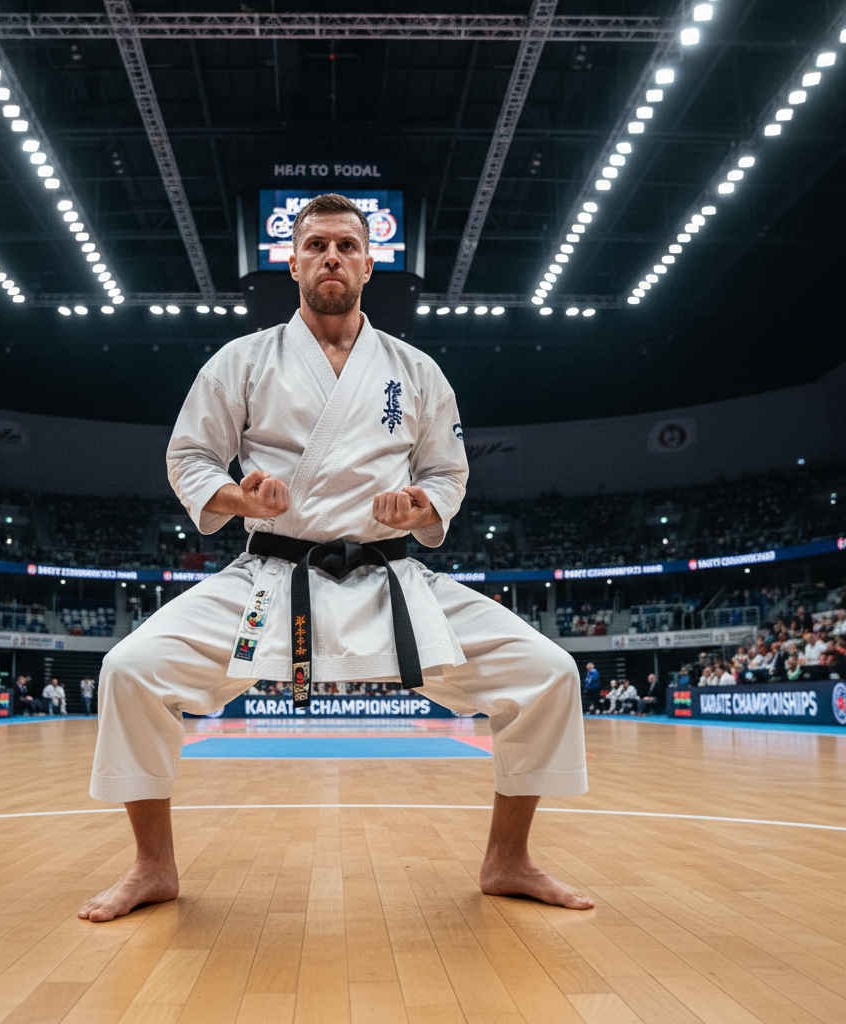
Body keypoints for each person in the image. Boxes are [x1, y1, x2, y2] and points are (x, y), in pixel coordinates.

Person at [79, 193, 592, 923]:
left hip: (390, 580)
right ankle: (152, 866)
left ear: (368, 264)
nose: (331, 257)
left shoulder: (415, 370)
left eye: (346, 246)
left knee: (548, 673)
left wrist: (421, 507)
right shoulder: (242, 361)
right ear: (292, 264)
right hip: (271, 578)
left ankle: (508, 859)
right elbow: (190, 457)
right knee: (130, 669)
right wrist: (236, 498)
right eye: (316, 245)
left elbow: (448, 474)